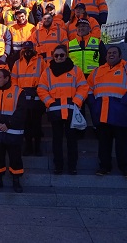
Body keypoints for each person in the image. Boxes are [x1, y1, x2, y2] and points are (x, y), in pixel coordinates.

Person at [87, 46, 127, 178]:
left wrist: (125, 101)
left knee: (122, 144)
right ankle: (104, 167)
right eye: (109, 53)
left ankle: (125, 167)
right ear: (105, 56)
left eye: (114, 53)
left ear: (120, 55)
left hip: (121, 113)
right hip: (102, 113)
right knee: (103, 144)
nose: (111, 55)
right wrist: (93, 102)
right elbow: (88, 87)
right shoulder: (97, 71)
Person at [37, 45, 89, 175]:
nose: (59, 57)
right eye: (56, 55)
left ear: (66, 55)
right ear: (53, 57)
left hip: (71, 110)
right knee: (57, 141)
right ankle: (58, 166)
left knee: (72, 141)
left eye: (61, 55)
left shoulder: (76, 70)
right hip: (55, 112)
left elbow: (83, 87)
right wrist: (50, 102)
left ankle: (72, 167)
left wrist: (76, 101)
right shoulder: (47, 72)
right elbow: (41, 89)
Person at [0, 69, 27, 193]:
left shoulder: (19, 92)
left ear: (7, 78)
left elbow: (21, 111)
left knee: (15, 158)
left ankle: (16, 181)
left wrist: (8, 124)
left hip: (13, 132)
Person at [11, 41, 47, 156]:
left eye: (29, 49)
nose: (27, 51)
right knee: (25, 124)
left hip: (36, 96)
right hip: (23, 96)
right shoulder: (17, 63)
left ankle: (37, 147)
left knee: (36, 124)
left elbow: (45, 77)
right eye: (25, 48)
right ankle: (28, 147)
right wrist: (18, 93)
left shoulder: (41, 61)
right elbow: (13, 80)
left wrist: (39, 88)